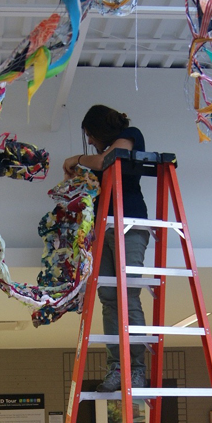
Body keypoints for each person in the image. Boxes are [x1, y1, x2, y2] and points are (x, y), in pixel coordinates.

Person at [63, 104, 149, 392]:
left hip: (129, 223)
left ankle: (136, 369)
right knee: (109, 298)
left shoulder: (129, 135)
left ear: (100, 130)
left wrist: (76, 158)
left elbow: (108, 160)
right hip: (103, 226)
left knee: (128, 295)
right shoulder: (98, 157)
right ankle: (117, 367)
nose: (89, 141)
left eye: (90, 134)